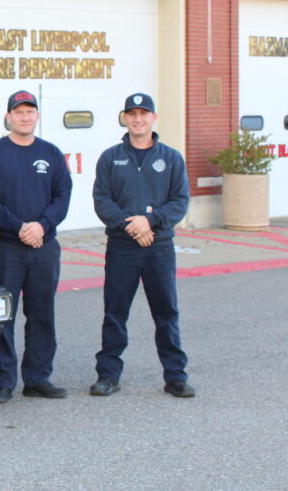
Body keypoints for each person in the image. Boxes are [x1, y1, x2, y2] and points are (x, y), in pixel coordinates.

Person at [90, 93, 194, 398]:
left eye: (144, 114)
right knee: (115, 313)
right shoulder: (110, 158)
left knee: (166, 313)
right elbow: (102, 201)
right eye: (132, 114)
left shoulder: (171, 158)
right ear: (124, 118)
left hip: (158, 248)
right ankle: (108, 375)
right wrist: (131, 226)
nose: (138, 119)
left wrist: (150, 222)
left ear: (154, 118)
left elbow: (179, 202)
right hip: (122, 248)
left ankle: (176, 377)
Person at [0, 89, 72, 404]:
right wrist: (19, 227)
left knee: (42, 314)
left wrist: (41, 226)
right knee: (3, 315)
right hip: (7, 248)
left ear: (37, 116)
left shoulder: (51, 154)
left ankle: (38, 379)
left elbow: (62, 197)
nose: (25, 117)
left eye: (30, 112)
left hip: (44, 246)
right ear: (8, 117)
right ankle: (3, 383)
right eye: (19, 112)